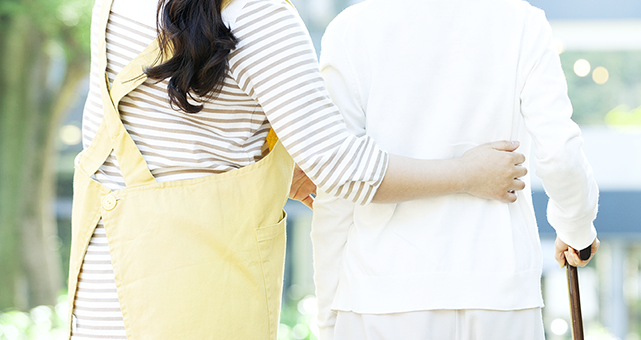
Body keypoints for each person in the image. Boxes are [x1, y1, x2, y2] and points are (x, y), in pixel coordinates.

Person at [66, 0, 527, 338]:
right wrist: (469, 174)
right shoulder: (258, 17)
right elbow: (345, 169)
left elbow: (162, 136)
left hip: (100, 289)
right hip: (199, 293)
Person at [309, 0, 601, 338]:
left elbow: (337, 189)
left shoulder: (352, 28)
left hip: (382, 297)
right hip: (501, 294)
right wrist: (576, 226)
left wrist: (328, 318)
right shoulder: (522, 21)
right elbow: (560, 154)